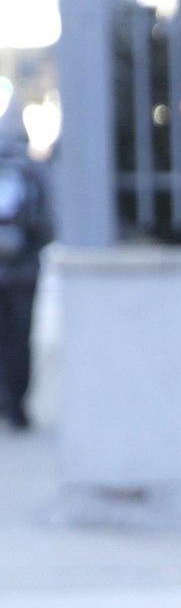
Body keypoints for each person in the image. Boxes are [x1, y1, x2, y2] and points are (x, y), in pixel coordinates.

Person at [0, 107, 50, 430]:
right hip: (23, 273)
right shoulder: (32, 172)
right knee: (20, 338)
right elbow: (47, 223)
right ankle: (16, 403)